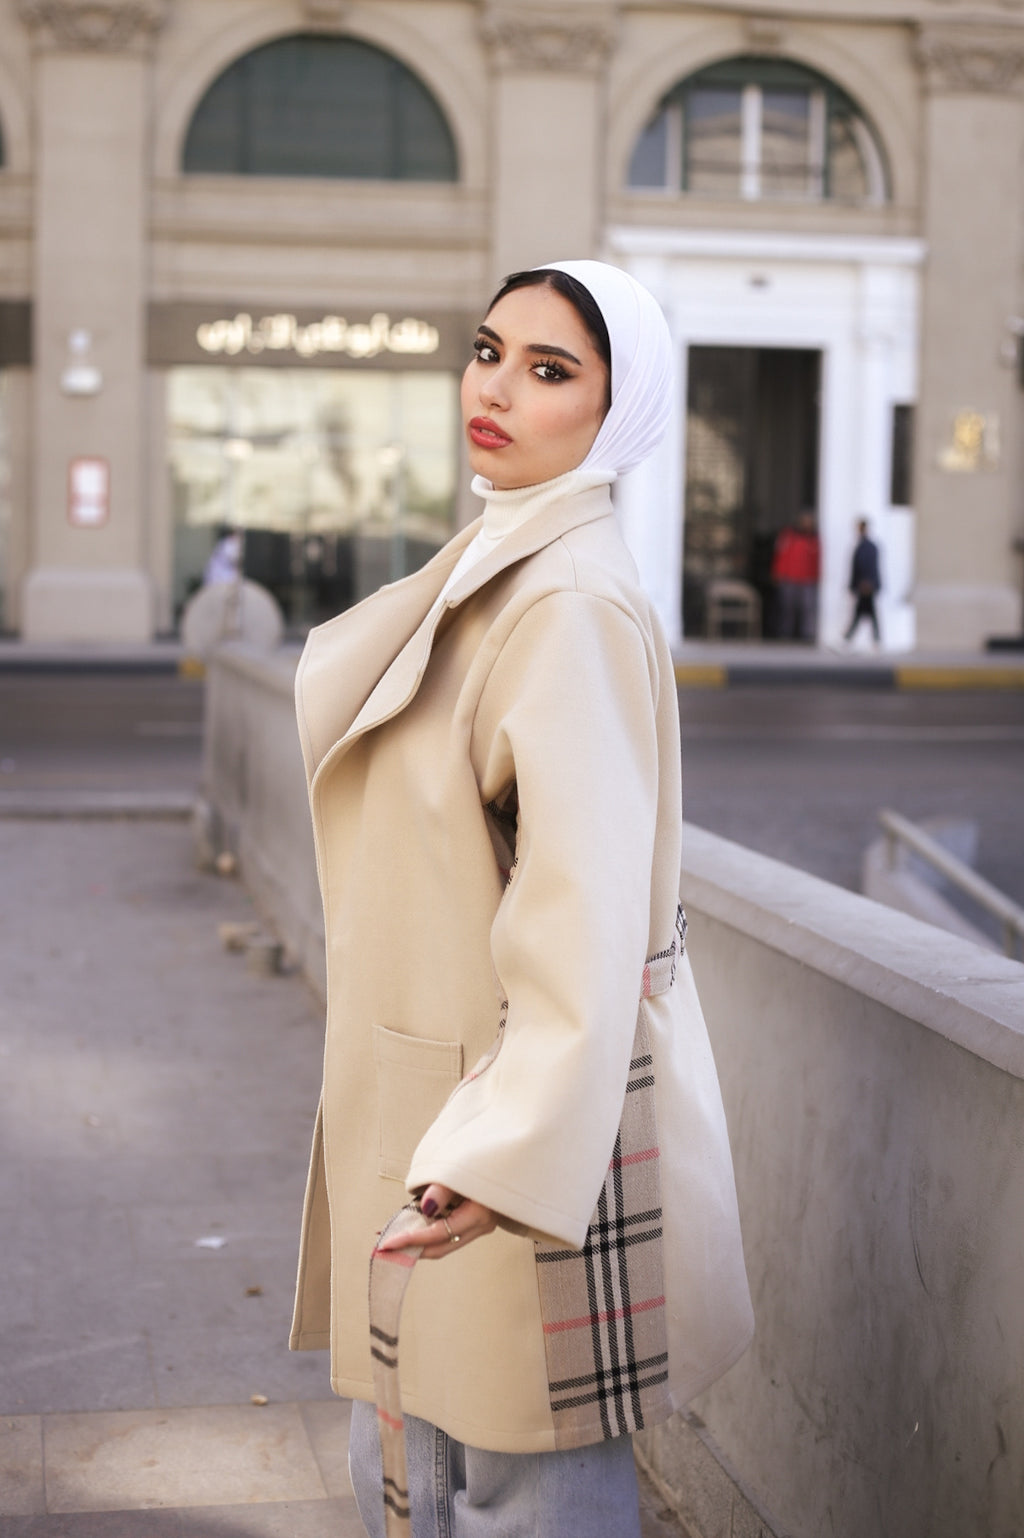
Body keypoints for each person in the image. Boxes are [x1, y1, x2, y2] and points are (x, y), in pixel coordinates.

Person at [289, 261, 754, 1538]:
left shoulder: (568, 601)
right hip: (456, 1118)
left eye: (551, 370)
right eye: (490, 349)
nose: (496, 387)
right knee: (429, 1468)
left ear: (618, 412)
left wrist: (502, 1153)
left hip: (504, 1143)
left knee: (510, 1487)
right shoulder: (504, 550)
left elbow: (583, 917)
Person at [770, 509, 820, 641]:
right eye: (805, 521)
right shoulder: (788, 536)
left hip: (807, 579)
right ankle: (785, 634)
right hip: (789, 578)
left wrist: (817, 577)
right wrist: (778, 573)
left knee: (807, 608)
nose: (807, 524)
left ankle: (807, 636)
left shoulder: (814, 538)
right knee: (787, 608)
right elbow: (780, 555)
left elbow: (817, 560)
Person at [844, 517, 882, 644]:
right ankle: (875, 640)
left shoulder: (867, 547)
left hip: (866, 586)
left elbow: (868, 567)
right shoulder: (862, 545)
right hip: (865, 585)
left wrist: (867, 583)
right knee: (865, 614)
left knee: (862, 613)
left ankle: (848, 639)